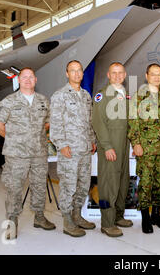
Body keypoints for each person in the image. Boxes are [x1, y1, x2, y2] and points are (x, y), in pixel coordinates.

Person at [0, 67, 55, 240]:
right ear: (19, 81)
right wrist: (14, 139)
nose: (28, 80)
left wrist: (36, 135)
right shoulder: (9, 101)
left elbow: (48, 122)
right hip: (16, 155)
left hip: (39, 153)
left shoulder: (43, 101)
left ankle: (40, 218)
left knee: (39, 186)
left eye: (31, 77)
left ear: (35, 80)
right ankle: (12, 223)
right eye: (24, 77)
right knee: (14, 188)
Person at [50, 60, 97, 237]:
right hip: (69, 150)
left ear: (82, 74)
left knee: (83, 185)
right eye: (73, 71)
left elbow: (90, 121)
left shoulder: (85, 95)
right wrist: (61, 145)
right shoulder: (60, 95)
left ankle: (77, 215)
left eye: (79, 71)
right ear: (67, 73)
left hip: (85, 148)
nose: (76, 74)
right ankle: (67, 221)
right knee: (68, 186)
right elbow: (55, 123)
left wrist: (92, 140)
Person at [128, 63, 160, 234]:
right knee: (145, 183)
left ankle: (156, 214)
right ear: (146, 76)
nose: (156, 77)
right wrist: (136, 143)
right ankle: (145, 217)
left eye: (159, 74)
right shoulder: (138, 97)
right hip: (145, 148)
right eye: (153, 74)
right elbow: (132, 123)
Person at [92, 62, 133, 238]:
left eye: (120, 73)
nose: (117, 76)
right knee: (109, 184)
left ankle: (118, 216)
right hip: (110, 145)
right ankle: (107, 223)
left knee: (123, 181)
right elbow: (98, 123)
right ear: (108, 75)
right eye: (113, 73)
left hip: (123, 145)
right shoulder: (102, 95)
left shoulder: (125, 94)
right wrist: (107, 146)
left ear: (124, 75)